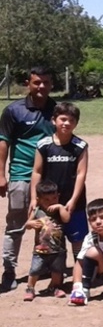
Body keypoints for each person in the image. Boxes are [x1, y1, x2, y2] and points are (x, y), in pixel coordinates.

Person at [0, 66, 56, 291]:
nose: (41, 86)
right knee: (16, 224)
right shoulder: (14, 110)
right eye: (36, 82)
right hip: (21, 174)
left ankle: (42, 265)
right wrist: (1, 174)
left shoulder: (56, 109)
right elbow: (3, 142)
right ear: (28, 83)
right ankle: (9, 270)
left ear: (52, 84)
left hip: (50, 177)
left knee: (47, 223)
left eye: (45, 82)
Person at [30, 102, 88, 259]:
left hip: (73, 202)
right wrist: (34, 199)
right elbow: (37, 171)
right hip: (48, 202)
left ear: (76, 123)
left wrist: (74, 200)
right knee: (49, 236)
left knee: (78, 240)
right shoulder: (43, 144)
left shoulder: (80, 146)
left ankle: (80, 270)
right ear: (54, 120)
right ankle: (53, 270)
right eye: (63, 119)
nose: (67, 123)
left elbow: (81, 174)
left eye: (71, 120)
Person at [23, 180, 69, 301]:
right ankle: (30, 288)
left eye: (54, 198)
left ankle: (55, 287)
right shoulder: (37, 211)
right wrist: (31, 223)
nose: (51, 202)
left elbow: (66, 219)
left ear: (58, 196)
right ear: (39, 199)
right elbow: (27, 225)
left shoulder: (59, 210)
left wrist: (60, 206)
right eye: (46, 200)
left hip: (58, 249)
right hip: (40, 249)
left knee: (57, 271)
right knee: (35, 270)